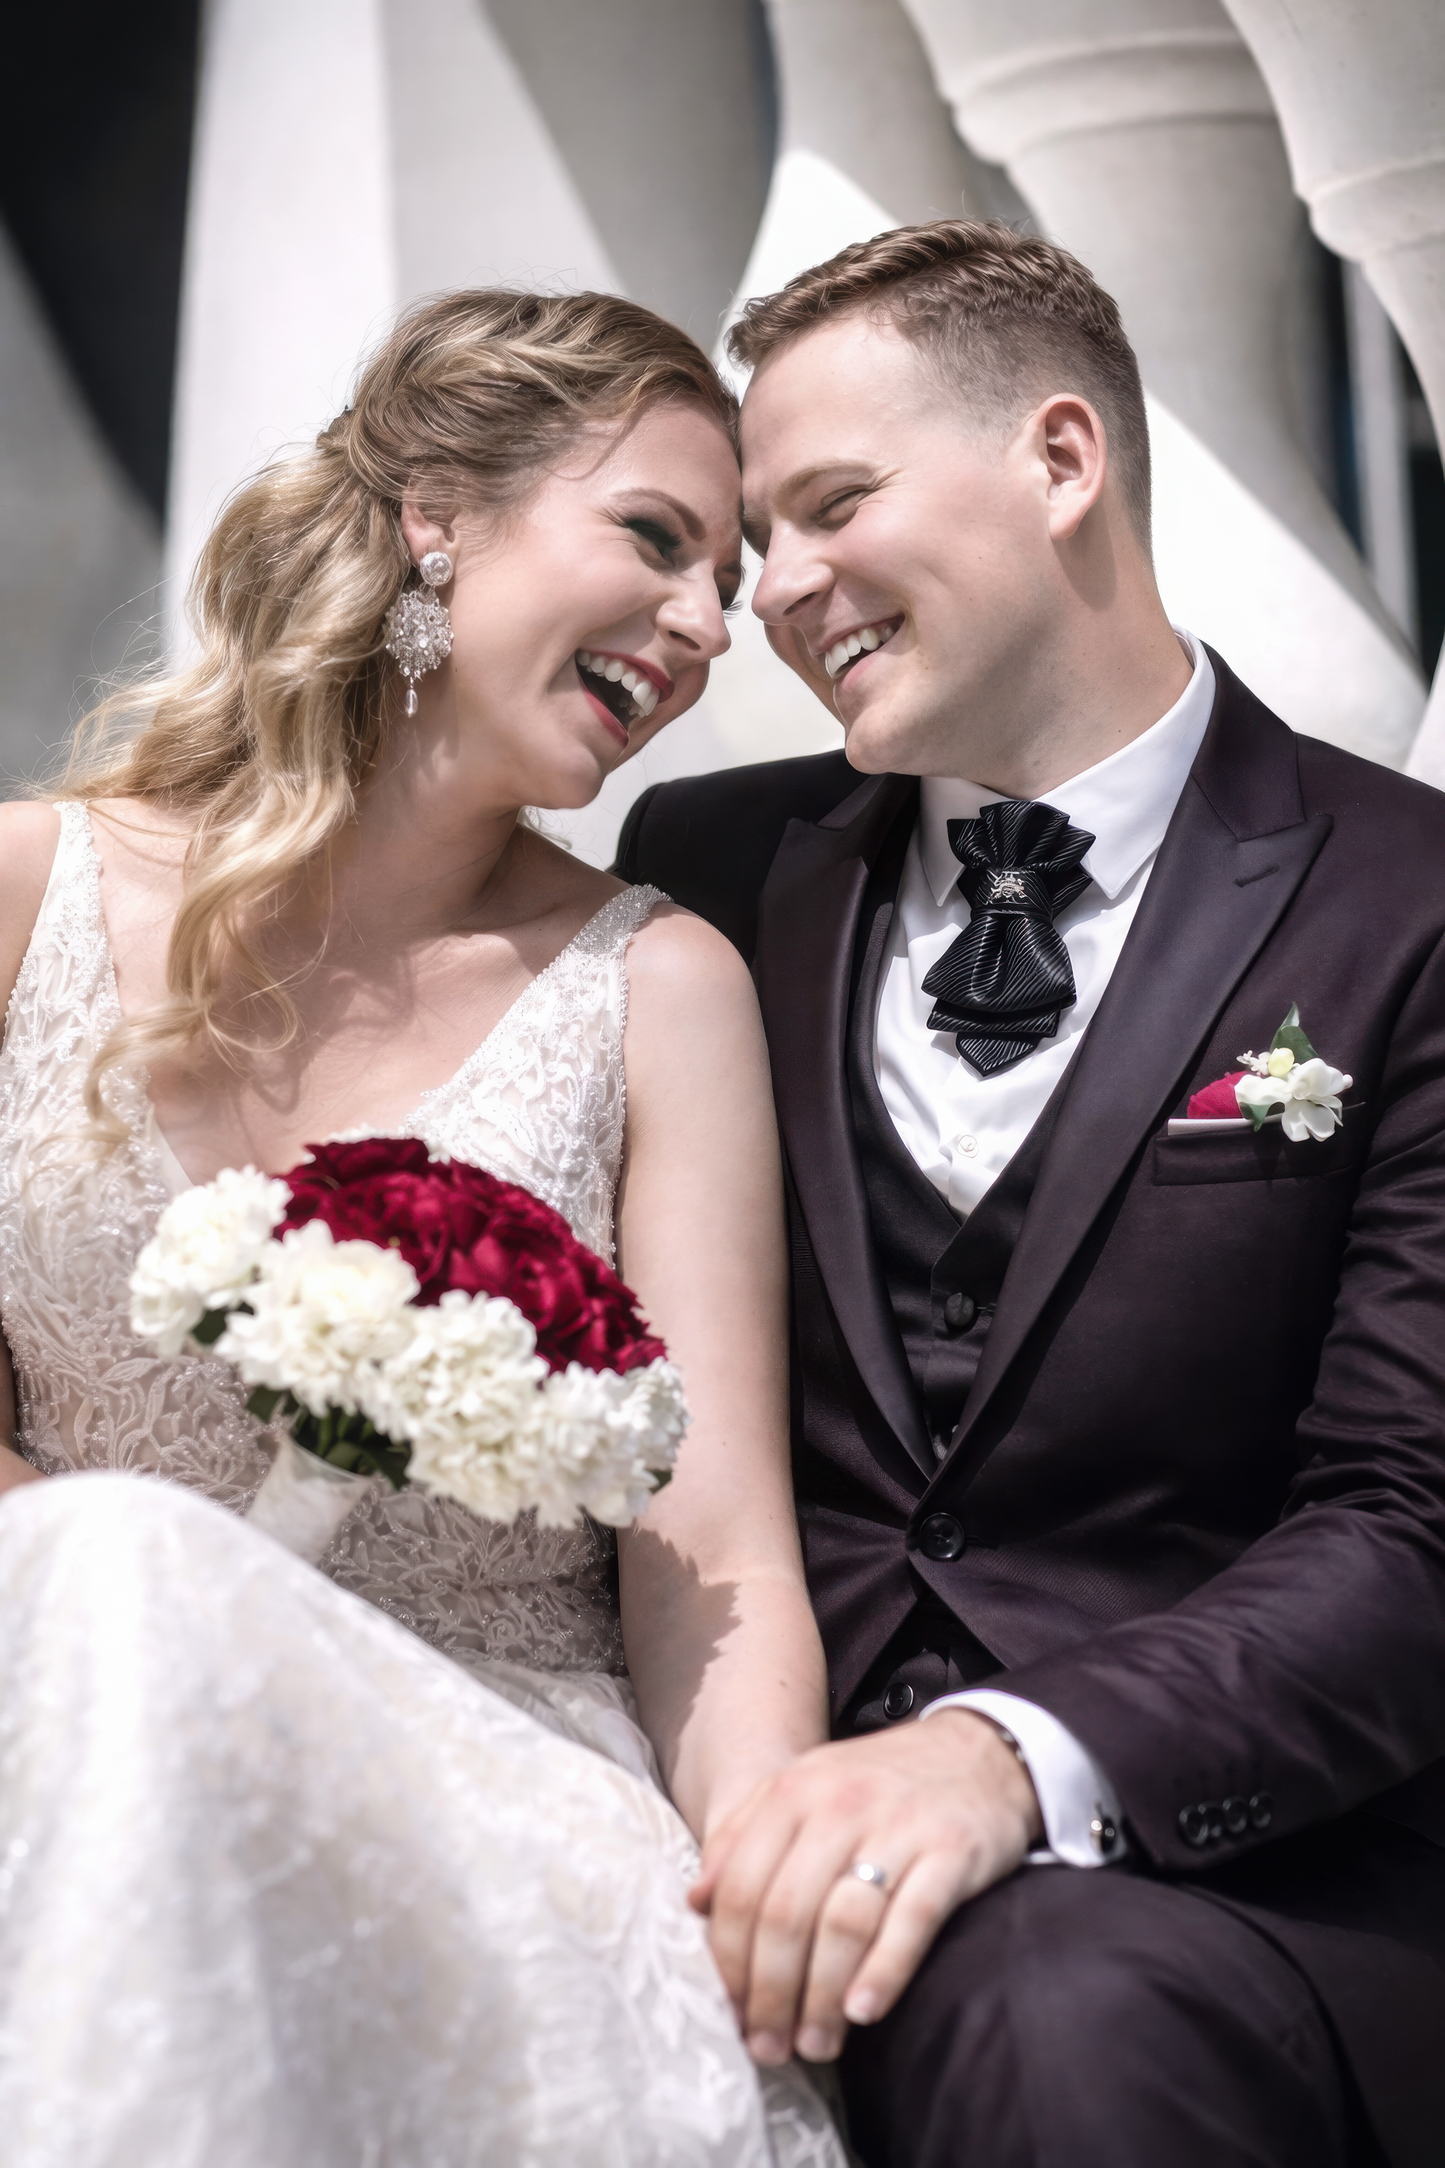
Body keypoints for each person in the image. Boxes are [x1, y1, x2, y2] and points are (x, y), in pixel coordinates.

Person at [615, 220, 1445, 2168]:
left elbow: (1412, 1525)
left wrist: (1005, 1759)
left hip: (1234, 1889)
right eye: (756, 544)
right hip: (725, 1822)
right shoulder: (708, 867)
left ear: (1059, 460)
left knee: (1056, 2009)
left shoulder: (1406, 906)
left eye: (826, 507)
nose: (774, 593)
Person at [0, 289, 847, 2166]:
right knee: (121, 1571)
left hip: (477, 1778)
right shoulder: (22, 888)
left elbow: (713, 1561)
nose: (709, 626)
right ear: (438, 512)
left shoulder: (663, 990)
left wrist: (768, 1866)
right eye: (655, 539)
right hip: (46, 1726)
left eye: (731, 577)